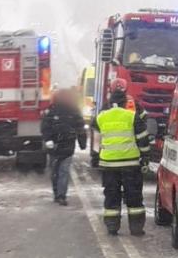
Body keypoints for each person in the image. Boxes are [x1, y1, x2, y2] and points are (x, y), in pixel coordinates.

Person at [93, 87, 149, 236]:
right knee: (134, 196)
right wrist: (145, 158)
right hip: (130, 164)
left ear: (110, 102)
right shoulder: (132, 116)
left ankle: (112, 226)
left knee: (111, 195)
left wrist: (97, 157)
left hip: (109, 164)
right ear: (125, 102)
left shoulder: (101, 117)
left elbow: (96, 141)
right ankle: (136, 227)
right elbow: (142, 139)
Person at [41, 89, 86, 206]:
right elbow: (80, 128)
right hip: (66, 145)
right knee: (62, 172)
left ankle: (59, 194)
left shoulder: (51, 111)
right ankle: (60, 195)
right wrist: (82, 143)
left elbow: (45, 127)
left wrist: (48, 140)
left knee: (56, 171)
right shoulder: (73, 111)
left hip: (56, 147)